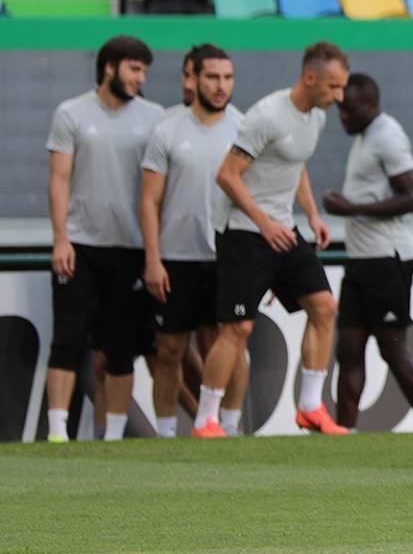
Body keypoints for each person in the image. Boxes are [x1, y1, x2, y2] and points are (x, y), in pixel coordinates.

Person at [192, 41, 351, 438]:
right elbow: (227, 175)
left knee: (324, 307)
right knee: (238, 327)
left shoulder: (316, 118)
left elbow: (296, 166)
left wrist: (312, 215)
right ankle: (205, 420)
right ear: (310, 78)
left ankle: (310, 407)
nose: (339, 96)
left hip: (283, 230)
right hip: (244, 233)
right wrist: (263, 223)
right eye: (333, 87)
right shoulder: (266, 116)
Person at [46, 35, 164, 442]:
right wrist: (61, 238)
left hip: (131, 248)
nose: (140, 78)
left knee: (120, 346)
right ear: (110, 68)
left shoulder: (155, 117)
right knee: (67, 337)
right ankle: (57, 432)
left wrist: (154, 252)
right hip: (79, 246)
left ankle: (112, 436)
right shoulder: (71, 113)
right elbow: (59, 179)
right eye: (134, 69)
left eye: (144, 71)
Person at [322, 73, 413, 432]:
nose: (343, 116)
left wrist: (351, 209)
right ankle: (346, 434)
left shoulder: (388, 136)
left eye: (350, 109)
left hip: (388, 258)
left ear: (371, 105)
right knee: (348, 350)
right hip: (361, 260)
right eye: (340, 110)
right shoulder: (365, 136)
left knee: (392, 348)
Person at [140, 44, 249, 438]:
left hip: (229, 257)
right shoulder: (168, 130)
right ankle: (166, 434)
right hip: (177, 257)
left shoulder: (245, 129)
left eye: (227, 78)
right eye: (212, 77)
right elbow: (149, 201)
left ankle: (229, 427)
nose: (221, 86)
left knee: (229, 342)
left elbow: (262, 194)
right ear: (194, 79)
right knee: (169, 349)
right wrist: (154, 260)